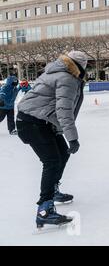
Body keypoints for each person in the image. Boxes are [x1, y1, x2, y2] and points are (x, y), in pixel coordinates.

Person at [16, 51, 88, 229]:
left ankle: (53, 189)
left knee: (63, 153)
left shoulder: (56, 72)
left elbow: (49, 106)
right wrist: (73, 138)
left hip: (39, 121)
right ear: (81, 66)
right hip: (32, 123)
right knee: (52, 161)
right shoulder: (67, 79)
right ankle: (44, 209)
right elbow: (64, 110)